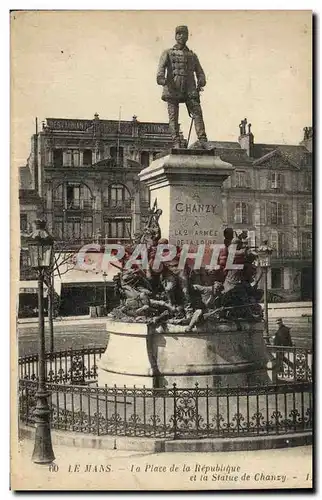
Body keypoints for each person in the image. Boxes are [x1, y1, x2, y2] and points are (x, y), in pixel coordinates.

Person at [157, 25, 208, 148]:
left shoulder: (192, 55)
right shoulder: (168, 53)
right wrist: (163, 80)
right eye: (179, 34)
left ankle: (203, 140)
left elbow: (200, 72)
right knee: (173, 117)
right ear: (175, 36)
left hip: (189, 88)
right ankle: (176, 142)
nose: (181, 36)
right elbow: (160, 71)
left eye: (184, 34)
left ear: (187, 36)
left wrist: (201, 80)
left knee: (197, 113)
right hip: (173, 87)